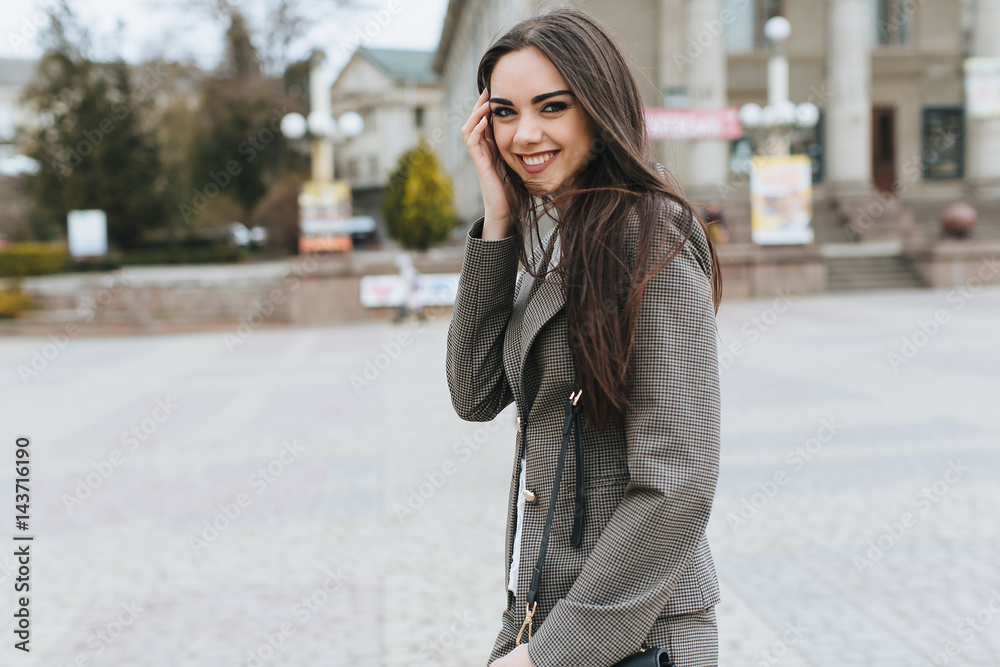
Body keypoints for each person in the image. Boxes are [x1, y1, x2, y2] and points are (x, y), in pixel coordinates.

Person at [445, 6, 723, 667]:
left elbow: (678, 481)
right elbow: (475, 391)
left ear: (598, 110)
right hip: (543, 611)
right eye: (505, 112)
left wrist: (553, 654)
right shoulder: (565, 238)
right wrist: (497, 219)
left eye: (551, 107)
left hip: (632, 632)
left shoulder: (650, 235)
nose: (524, 133)